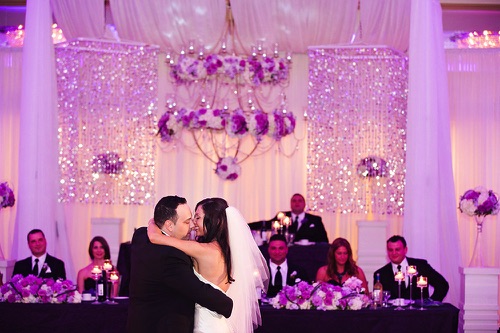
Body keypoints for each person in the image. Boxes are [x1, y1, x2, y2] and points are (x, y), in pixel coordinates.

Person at [148, 197, 269, 333]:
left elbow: (155, 238)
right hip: (218, 323)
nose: (193, 224)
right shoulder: (223, 249)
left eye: (197, 218)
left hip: (207, 326)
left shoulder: (204, 250)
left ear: (213, 220)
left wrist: (153, 222)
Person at [126, 196, 233, 333]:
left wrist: (153, 225)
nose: (192, 226)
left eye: (195, 219)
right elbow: (197, 290)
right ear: (169, 225)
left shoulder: (141, 235)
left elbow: (152, 229)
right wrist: (227, 304)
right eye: (187, 221)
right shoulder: (171, 256)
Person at [373, 235, 449, 302]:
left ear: (405, 250)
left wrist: (431, 303)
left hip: (419, 315)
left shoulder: (421, 266)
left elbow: (442, 285)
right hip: (394, 317)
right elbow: (379, 300)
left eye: (397, 249)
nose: (394, 253)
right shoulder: (380, 274)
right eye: (390, 250)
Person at [249, 193, 328, 243]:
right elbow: (266, 224)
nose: (297, 203)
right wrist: (246, 226)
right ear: (290, 204)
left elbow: (324, 241)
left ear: (304, 204)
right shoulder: (282, 217)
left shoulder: (315, 220)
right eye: (294, 201)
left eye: (300, 201)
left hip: (308, 255)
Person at [265, 234, 308, 298]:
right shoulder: (261, 271)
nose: (277, 252)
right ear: (268, 250)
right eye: (273, 248)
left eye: (281, 248)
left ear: (286, 250)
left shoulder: (300, 271)